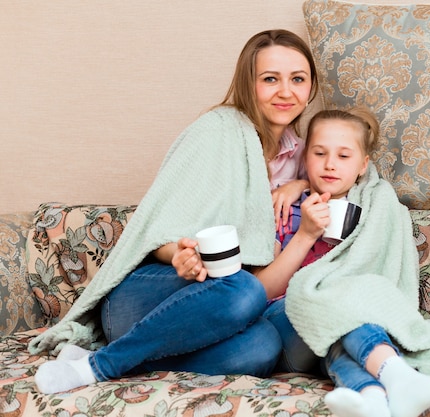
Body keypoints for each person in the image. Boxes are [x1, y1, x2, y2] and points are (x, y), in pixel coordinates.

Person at [30, 28, 318, 394]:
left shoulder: (303, 155)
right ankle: (99, 365)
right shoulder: (216, 131)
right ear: (248, 83)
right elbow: (155, 228)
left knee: (262, 347)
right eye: (270, 79)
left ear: (311, 87)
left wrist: (300, 185)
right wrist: (180, 255)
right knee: (245, 290)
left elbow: (348, 173)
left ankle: (105, 359)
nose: (285, 91)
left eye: (297, 79)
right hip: (148, 297)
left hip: (208, 314)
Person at [249, 107, 430, 417]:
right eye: (319, 153)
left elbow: (380, 272)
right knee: (343, 306)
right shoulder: (283, 207)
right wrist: (306, 233)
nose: (329, 164)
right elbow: (259, 290)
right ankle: (405, 381)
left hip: (340, 336)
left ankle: (374, 401)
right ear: (304, 158)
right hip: (288, 328)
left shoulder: (373, 209)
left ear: (363, 165)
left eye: (343, 156)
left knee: (345, 334)